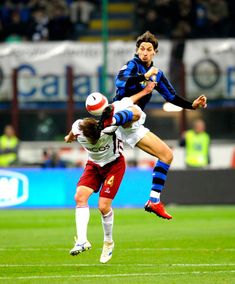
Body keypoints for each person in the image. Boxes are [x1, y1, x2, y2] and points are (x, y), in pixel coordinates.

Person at [113, 30, 207, 218]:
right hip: (121, 115)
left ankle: (154, 200)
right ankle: (104, 125)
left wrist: (192, 106)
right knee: (134, 112)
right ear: (137, 50)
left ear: (155, 52)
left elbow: (170, 96)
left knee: (166, 155)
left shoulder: (158, 74)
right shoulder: (133, 66)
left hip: (133, 125)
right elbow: (120, 82)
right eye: (141, 49)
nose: (144, 52)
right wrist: (144, 76)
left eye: (149, 49)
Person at [64, 87, 149, 264]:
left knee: (103, 207)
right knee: (79, 197)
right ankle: (82, 240)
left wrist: (68, 138)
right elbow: (73, 133)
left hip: (114, 165)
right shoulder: (89, 128)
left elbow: (126, 104)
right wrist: (145, 91)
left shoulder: (107, 129)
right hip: (94, 165)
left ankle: (108, 241)